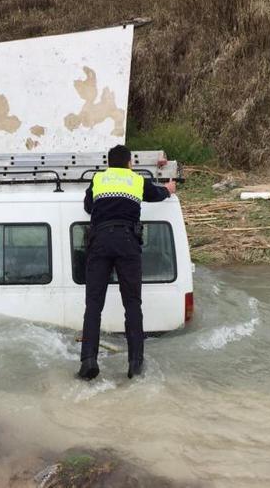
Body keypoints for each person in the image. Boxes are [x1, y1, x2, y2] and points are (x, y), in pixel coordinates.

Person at [78, 144, 176, 380]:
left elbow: (88, 206)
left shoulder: (99, 179)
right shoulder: (136, 180)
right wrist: (169, 188)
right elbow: (157, 195)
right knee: (132, 304)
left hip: (100, 240)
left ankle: (88, 361)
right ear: (129, 163)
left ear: (109, 164)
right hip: (127, 242)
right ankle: (135, 363)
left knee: (94, 306)